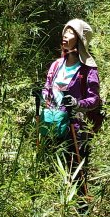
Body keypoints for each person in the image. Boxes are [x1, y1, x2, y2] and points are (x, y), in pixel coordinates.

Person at [42, 19, 101, 188]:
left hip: (76, 129)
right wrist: (43, 95)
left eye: (71, 32)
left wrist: (77, 103)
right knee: (52, 169)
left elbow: (95, 99)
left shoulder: (88, 70)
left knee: (76, 171)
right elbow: (48, 87)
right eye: (65, 31)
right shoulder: (56, 65)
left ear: (80, 39)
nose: (65, 35)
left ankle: (81, 210)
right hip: (53, 125)